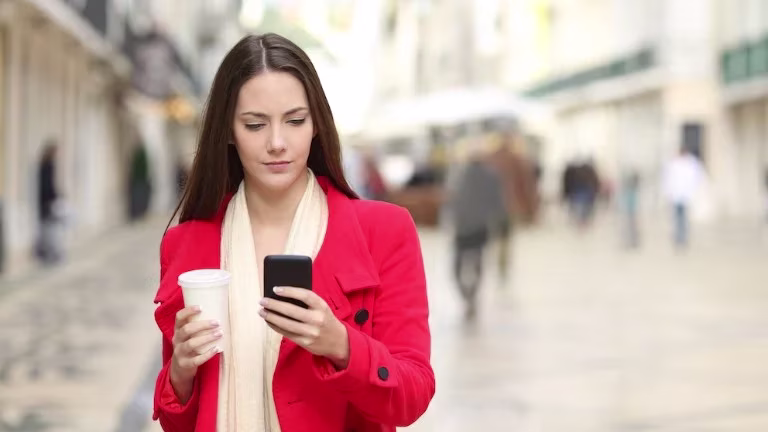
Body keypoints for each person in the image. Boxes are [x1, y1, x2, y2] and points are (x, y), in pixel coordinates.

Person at [152, 34, 434, 431]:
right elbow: (175, 423)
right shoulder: (186, 244)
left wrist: (341, 345)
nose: (277, 143)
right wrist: (180, 370)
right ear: (228, 131)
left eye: (295, 120)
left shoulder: (384, 231)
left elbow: (412, 396)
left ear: (316, 124)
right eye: (255, 124)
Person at [447, 137, 506, 319]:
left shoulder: (459, 173)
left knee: (458, 265)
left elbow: (451, 200)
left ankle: (468, 295)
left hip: (464, 225)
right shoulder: (490, 175)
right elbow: (497, 203)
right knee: (477, 262)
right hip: (480, 225)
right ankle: (471, 295)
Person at [663, 146, 705, 248]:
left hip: (685, 195)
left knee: (683, 218)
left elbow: (697, 177)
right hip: (676, 194)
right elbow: (668, 179)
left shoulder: (691, 163)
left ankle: (683, 237)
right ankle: (678, 237)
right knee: (677, 218)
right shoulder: (674, 163)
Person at [36, 141, 62, 264]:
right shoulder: (48, 165)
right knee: (50, 229)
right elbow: (48, 185)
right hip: (46, 201)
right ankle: (49, 253)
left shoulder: (43, 164)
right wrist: (55, 196)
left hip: (43, 201)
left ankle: (47, 252)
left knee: (46, 228)